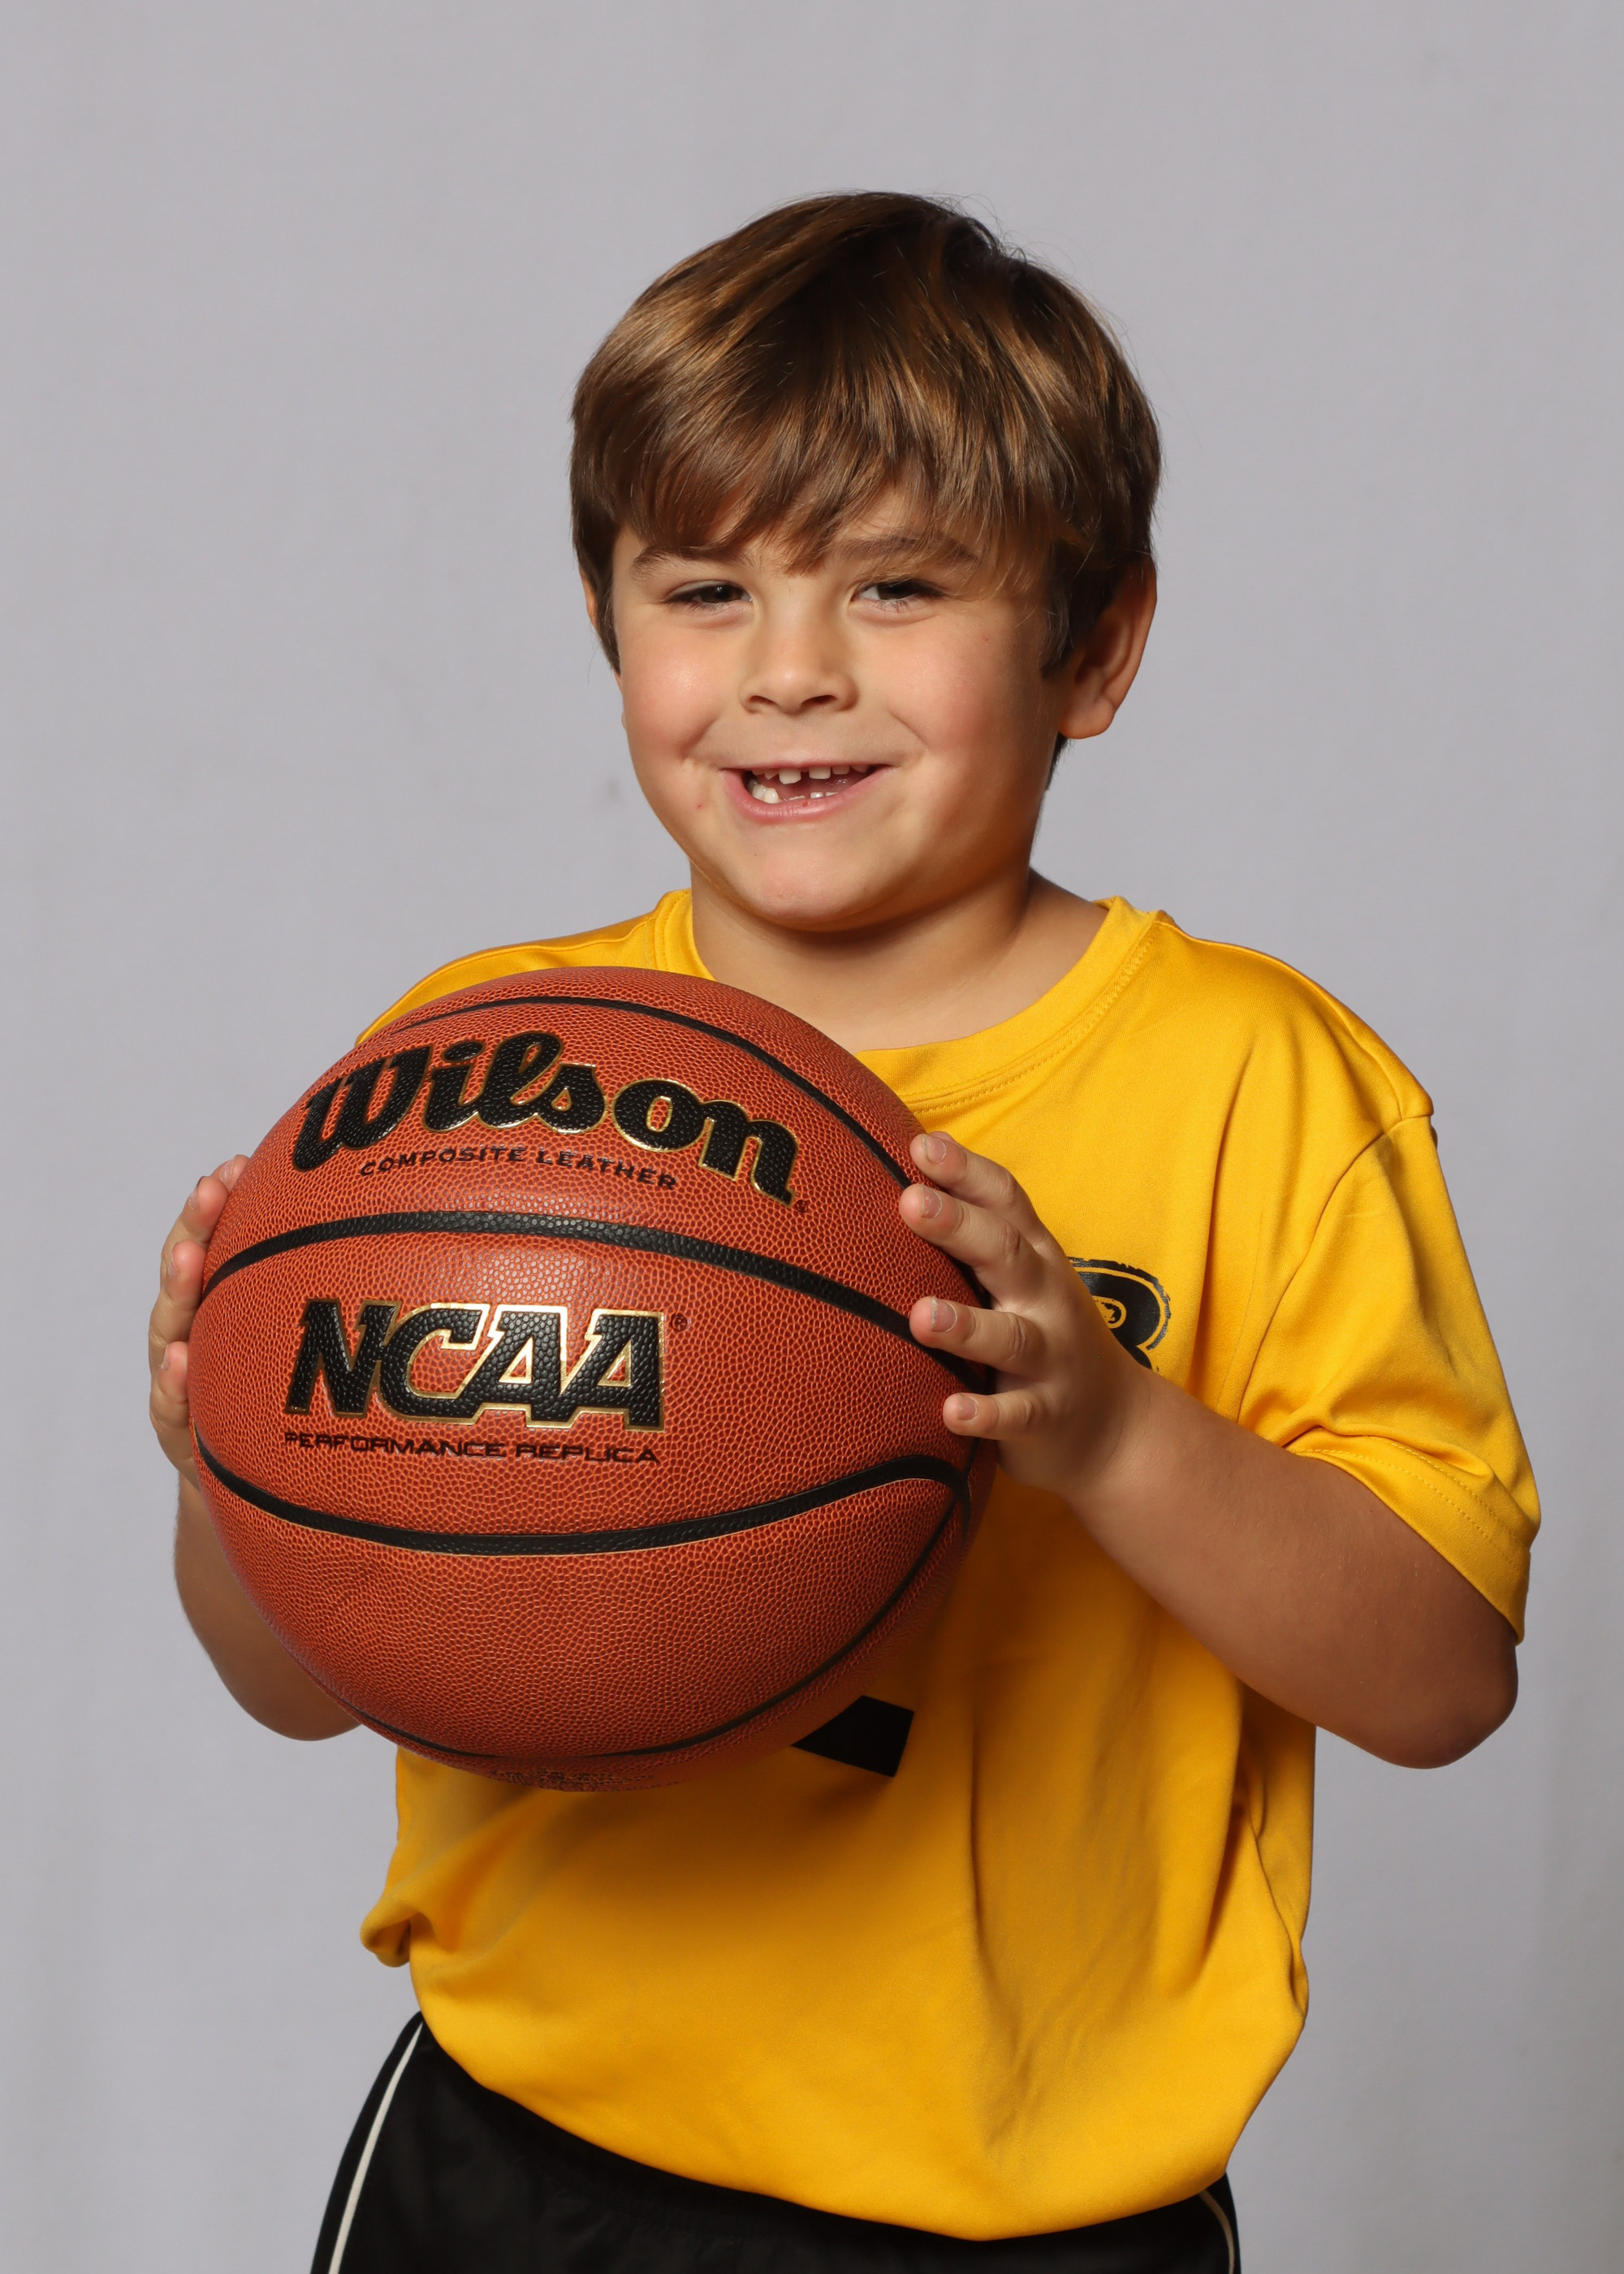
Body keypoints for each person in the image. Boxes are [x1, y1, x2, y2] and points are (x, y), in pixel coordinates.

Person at [146, 194, 1538, 2272]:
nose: (790, 670)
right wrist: (230, 1453)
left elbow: (1441, 1677)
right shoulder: (466, 1076)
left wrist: (1114, 1434)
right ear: (610, 626)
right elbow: (298, 1675)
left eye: (897, 586)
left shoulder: (1257, 1083)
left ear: (1093, 646)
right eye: (704, 586)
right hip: (521, 2155)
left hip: (1028, 2212)